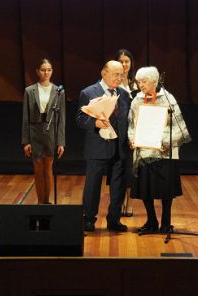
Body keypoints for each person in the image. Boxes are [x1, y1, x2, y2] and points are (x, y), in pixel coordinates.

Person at [128, 66, 191, 233]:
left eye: (145, 82)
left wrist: (166, 141)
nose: (141, 85)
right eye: (139, 81)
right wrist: (132, 139)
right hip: (144, 151)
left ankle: (166, 222)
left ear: (155, 82)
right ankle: (151, 220)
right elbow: (131, 125)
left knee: (166, 190)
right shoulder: (136, 100)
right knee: (145, 189)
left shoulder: (168, 99)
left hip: (164, 152)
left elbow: (178, 125)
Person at [76, 60, 130, 232]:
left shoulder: (124, 94)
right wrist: (94, 123)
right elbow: (79, 119)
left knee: (118, 185)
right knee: (93, 185)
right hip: (97, 147)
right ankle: (88, 219)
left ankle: (114, 219)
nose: (119, 78)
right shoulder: (89, 92)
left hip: (119, 147)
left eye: (121, 75)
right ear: (103, 73)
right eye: (116, 74)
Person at [22, 58, 65, 204]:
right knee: (38, 169)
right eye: (43, 70)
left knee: (48, 169)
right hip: (35, 133)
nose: (46, 73)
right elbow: (25, 118)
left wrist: (61, 142)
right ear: (37, 72)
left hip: (51, 133)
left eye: (49, 70)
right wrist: (26, 141)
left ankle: (47, 202)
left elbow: (61, 119)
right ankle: (40, 202)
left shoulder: (58, 92)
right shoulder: (29, 91)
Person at [114, 49, 139, 217]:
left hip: (133, 131)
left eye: (127, 61)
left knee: (130, 169)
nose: (124, 64)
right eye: (121, 61)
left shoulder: (136, 83)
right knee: (118, 169)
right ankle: (118, 202)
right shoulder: (113, 82)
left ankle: (129, 203)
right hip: (117, 131)